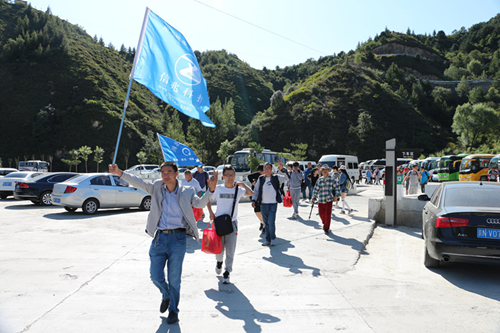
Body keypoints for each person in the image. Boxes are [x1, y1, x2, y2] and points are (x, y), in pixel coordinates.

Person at [108, 162, 217, 324]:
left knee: (174, 279)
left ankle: (173, 310)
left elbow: (200, 204)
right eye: (163, 172)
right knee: (155, 276)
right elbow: (139, 182)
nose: (165, 175)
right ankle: (166, 295)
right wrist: (120, 173)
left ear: (176, 173)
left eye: (168, 172)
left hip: (178, 239)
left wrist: (211, 190)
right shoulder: (157, 188)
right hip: (159, 238)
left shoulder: (187, 191)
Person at [207, 166, 253, 284]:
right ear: (223, 176)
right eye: (227, 175)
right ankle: (219, 262)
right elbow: (207, 199)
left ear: (235, 176)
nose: (229, 177)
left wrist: (243, 184)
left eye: (232, 175)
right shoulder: (218, 189)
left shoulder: (238, 190)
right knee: (219, 249)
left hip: (232, 223)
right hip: (218, 222)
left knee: (230, 250)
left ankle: (227, 271)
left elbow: (251, 193)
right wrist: (211, 213)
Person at [252, 162, 288, 246]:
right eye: (265, 168)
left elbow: (287, 178)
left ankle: (273, 238)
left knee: (271, 222)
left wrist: (282, 169)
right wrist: (254, 200)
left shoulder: (276, 177)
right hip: (263, 204)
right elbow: (256, 190)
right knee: (266, 223)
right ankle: (267, 240)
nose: (267, 170)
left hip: (273, 204)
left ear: (271, 169)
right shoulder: (261, 179)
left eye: (268, 168)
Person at [312, 166, 336, 235]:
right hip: (321, 199)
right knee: (321, 213)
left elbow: (336, 188)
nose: (325, 171)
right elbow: (316, 189)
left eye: (326, 169)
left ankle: (326, 228)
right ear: (321, 171)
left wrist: (336, 196)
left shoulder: (332, 179)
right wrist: (314, 196)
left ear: (328, 170)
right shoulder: (319, 180)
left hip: (329, 199)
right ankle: (324, 223)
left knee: (328, 215)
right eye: (323, 170)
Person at [247, 164, 265, 234]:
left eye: (261, 171)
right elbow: (249, 176)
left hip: (265, 195)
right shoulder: (258, 175)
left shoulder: (268, 175)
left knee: (263, 210)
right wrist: (253, 183)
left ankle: (264, 225)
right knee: (257, 210)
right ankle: (261, 221)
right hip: (256, 194)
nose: (260, 173)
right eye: (259, 171)